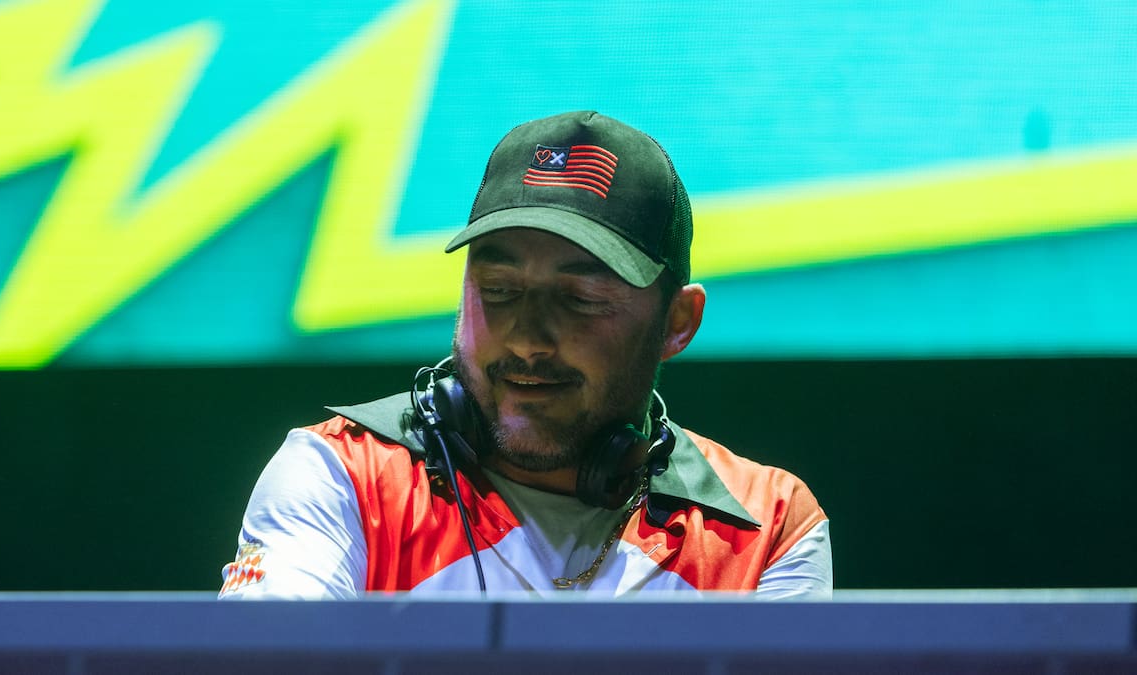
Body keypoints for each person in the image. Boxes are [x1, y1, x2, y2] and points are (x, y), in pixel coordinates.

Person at [219, 111, 832, 598]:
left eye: (581, 299)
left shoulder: (768, 524)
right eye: (499, 290)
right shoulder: (341, 474)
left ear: (678, 322)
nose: (526, 340)